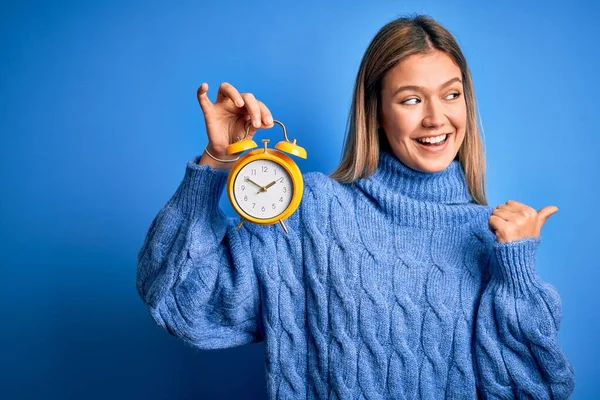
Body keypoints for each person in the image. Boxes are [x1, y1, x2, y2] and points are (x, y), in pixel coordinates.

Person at [136, 14, 576, 399]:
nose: (436, 118)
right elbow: (181, 301)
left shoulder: (492, 239)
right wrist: (216, 161)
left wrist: (516, 276)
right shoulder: (310, 211)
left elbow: (535, 392)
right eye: (411, 99)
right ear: (377, 111)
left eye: (451, 94)